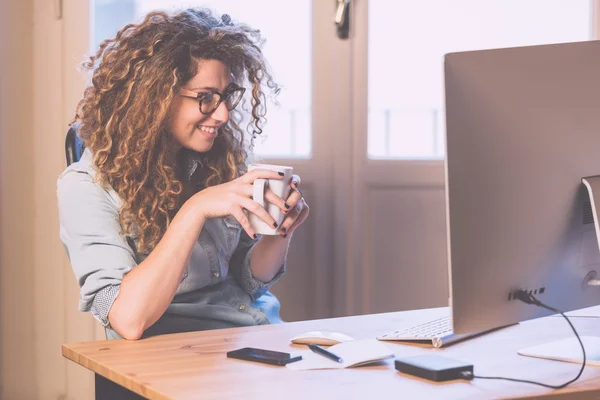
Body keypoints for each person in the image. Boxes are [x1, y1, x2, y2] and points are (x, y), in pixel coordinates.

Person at [57, 8, 309, 340]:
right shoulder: (87, 186)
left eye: (225, 96)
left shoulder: (217, 161)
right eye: (205, 98)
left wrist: (279, 233)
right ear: (154, 99)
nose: (221, 114)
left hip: (257, 333)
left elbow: (247, 282)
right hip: (182, 355)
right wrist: (195, 209)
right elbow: (126, 319)